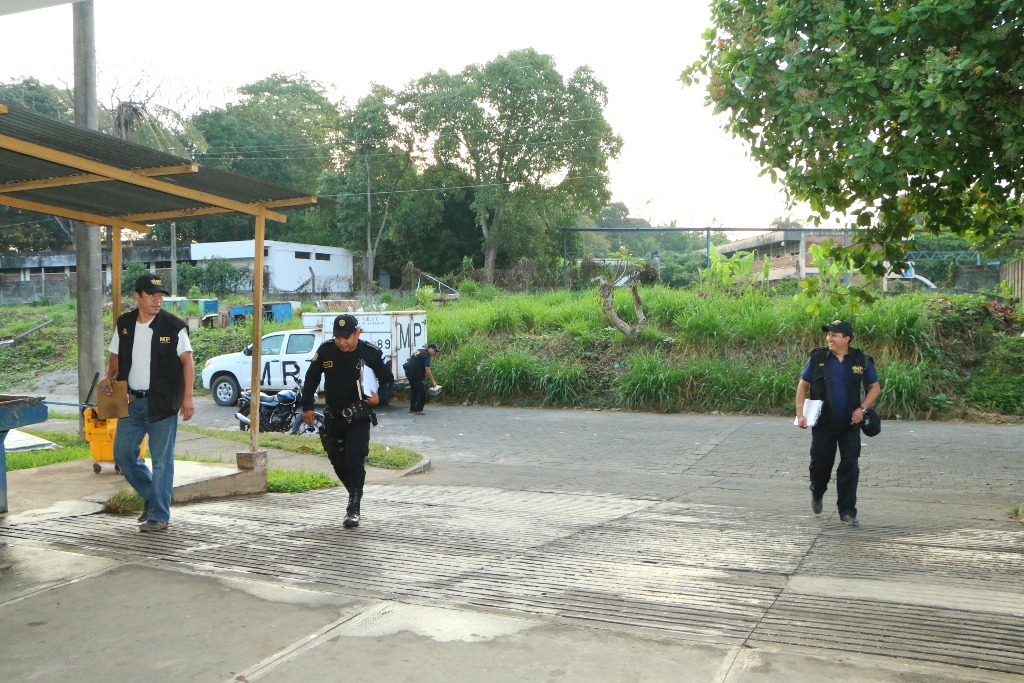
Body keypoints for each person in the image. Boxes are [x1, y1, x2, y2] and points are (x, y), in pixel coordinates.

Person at [98, 273, 194, 532]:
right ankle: (153, 498)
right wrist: (109, 376)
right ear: (137, 296)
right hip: (132, 402)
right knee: (123, 454)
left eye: (160, 295)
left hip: (163, 403)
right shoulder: (125, 324)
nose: (157, 300)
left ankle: (159, 515)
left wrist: (187, 398)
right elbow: (115, 357)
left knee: (162, 459)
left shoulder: (173, 326)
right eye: (152, 295)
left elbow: (187, 361)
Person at [300, 314, 393, 528]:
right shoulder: (326, 350)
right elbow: (312, 377)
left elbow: (387, 379)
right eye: (338, 337)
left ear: (357, 333)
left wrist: (382, 398)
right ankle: (355, 492)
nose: (342, 342)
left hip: (359, 416)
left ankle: (353, 508)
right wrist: (307, 406)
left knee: (354, 459)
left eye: (346, 337)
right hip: (333, 415)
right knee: (337, 459)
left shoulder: (370, 352)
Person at [795, 320, 881, 526]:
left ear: (847, 339)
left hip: (850, 423)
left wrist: (862, 409)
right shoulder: (818, 358)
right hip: (823, 423)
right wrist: (800, 414)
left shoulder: (861, 359)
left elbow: (874, 387)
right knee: (820, 464)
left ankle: (847, 511)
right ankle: (817, 490)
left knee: (850, 465)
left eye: (834, 335)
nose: (829, 339)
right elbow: (803, 384)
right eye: (828, 335)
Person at [403, 343, 438, 415]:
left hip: (409, 372)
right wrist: (433, 382)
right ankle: (419, 409)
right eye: (434, 351)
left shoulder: (419, 351)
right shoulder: (426, 356)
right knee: (422, 392)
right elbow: (427, 371)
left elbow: (412, 359)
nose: (434, 353)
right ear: (430, 348)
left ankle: (412, 409)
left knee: (414, 390)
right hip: (416, 374)